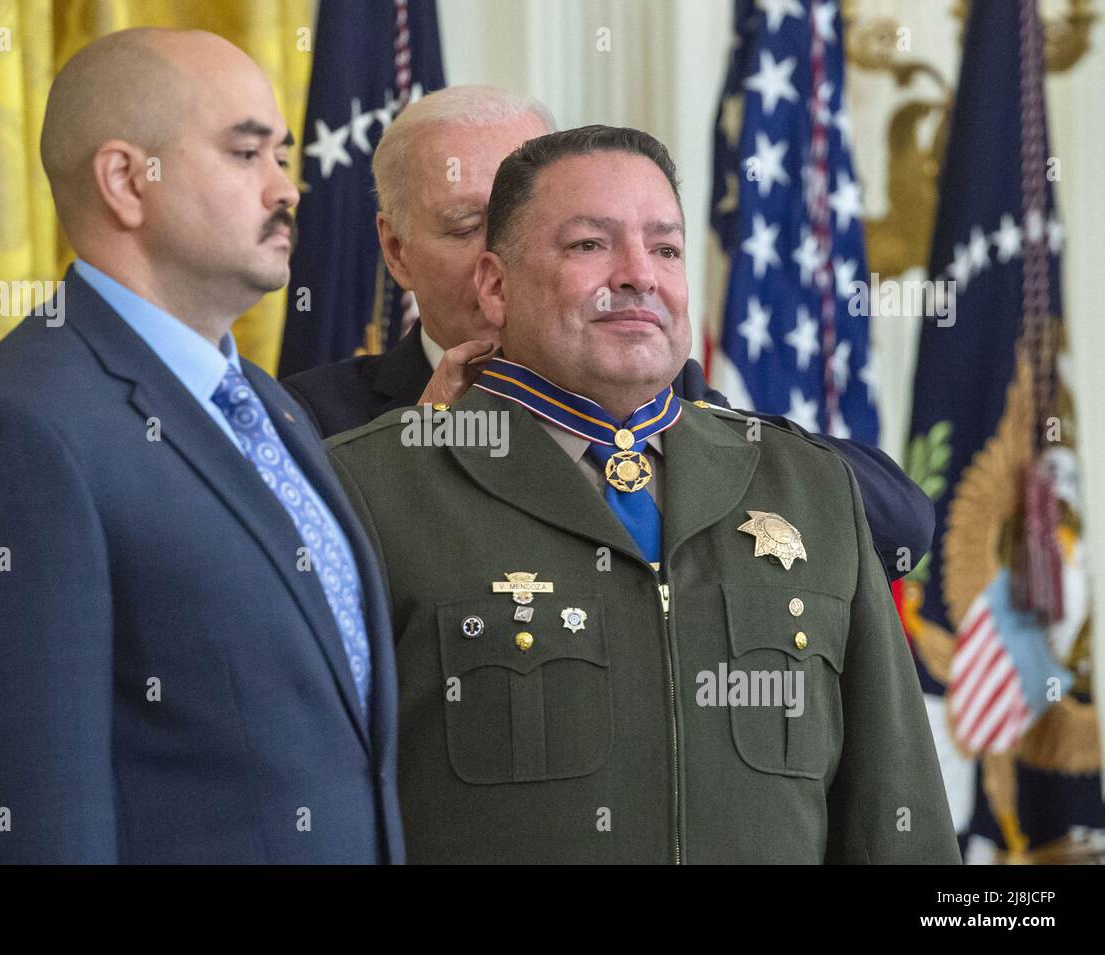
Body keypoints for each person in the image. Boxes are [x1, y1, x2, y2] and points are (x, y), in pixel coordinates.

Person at [326, 125, 960, 864]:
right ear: (495, 286)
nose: (639, 275)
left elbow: (897, 815)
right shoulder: (367, 491)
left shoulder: (809, 486)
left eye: (665, 249)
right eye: (589, 245)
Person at [0, 28, 402, 864]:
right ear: (127, 181)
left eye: (283, 154)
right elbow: (17, 823)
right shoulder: (14, 432)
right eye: (248, 155)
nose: (288, 188)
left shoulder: (273, 408)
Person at [282, 85, 933, 582]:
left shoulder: (674, 400)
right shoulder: (313, 419)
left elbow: (897, 527)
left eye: (542, 223)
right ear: (396, 252)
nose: (503, 254)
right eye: (466, 225)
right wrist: (410, 462)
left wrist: (683, 429)